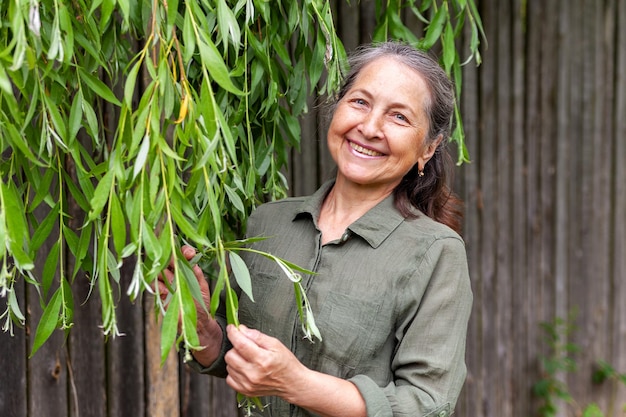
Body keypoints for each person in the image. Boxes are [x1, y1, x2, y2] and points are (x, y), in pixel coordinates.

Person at [159, 41, 473, 417]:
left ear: (428, 148)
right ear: (336, 106)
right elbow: (256, 370)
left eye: (399, 117)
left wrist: (298, 383)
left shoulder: (436, 252)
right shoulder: (268, 223)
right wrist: (207, 335)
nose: (369, 127)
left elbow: (427, 404)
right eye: (359, 102)